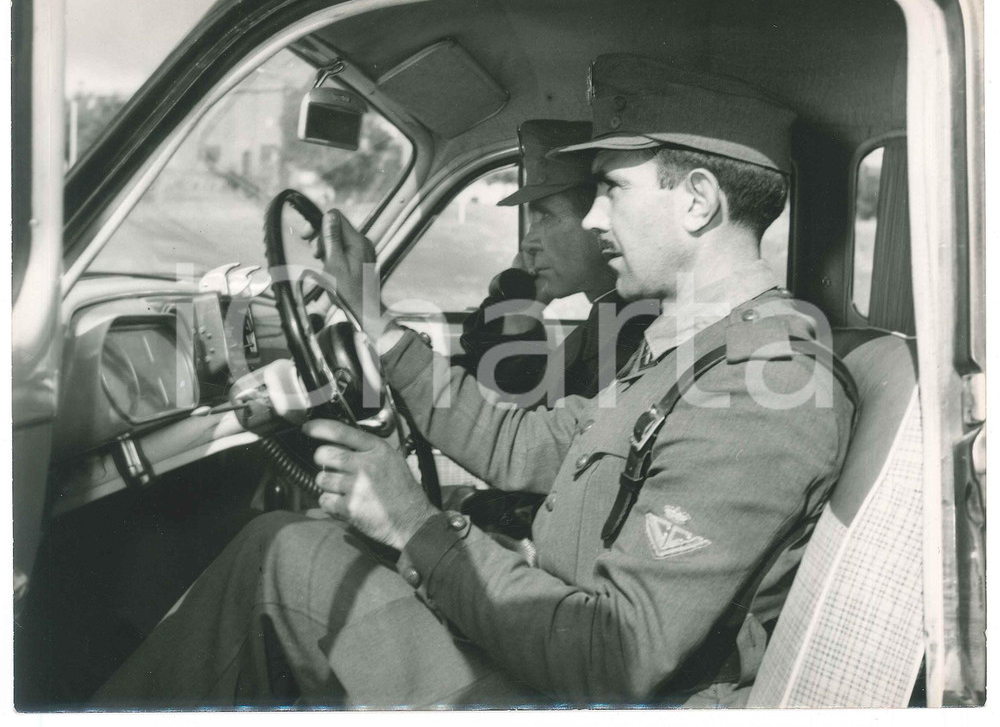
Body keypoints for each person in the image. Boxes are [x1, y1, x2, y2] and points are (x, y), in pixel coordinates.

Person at [92, 54, 855, 709]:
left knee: (282, 561)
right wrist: (382, 330)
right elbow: (528, 444)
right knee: (310, 543)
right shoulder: (690, 348)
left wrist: (419, 527)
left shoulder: (763, 386)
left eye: (610, 189)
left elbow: (615, 658)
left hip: (578, 693)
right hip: (550, 640)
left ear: (697, 200)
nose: (591, 219)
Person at [457, 119, 654, 407]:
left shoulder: (626, 338)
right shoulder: (606, 326)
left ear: (599, 218)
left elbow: (524, 430)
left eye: (545, 217)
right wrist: (522, 310)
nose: (528, 243)